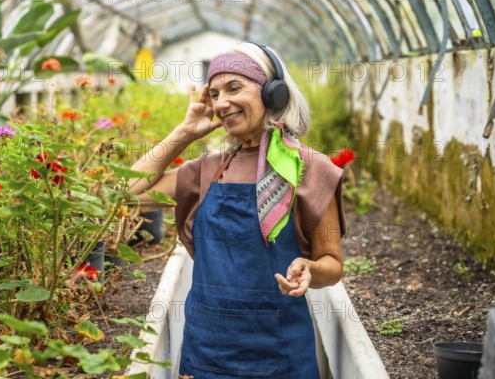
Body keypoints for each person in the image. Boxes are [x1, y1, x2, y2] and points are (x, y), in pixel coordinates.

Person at [129, 42, 345, 378]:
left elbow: (332, 263)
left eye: (234, 88)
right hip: (206, 353)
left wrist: (310, 269)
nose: (222, 103)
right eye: (214, 93)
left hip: (281, 354)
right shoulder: (205, 170)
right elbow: (126, 194)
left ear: (273, 93)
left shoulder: (311, 169)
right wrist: (184, 133)